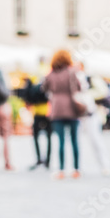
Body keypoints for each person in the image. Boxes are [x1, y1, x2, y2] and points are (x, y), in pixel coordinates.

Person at [42, 49, 81, 179]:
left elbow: (44, 88)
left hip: (57, 109)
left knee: (61, 141)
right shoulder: (72, 72)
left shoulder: (51, 74)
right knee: (74, 140)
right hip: (72, 107)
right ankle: (76, 169)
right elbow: (79, 87)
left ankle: (61, 170)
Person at [76, 63, 110, 175]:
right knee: (77, 142)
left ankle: (105, 165)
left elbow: (103, 91)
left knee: (96, 140)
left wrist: (87, 95)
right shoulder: (73, 77)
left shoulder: (91, 77)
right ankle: (77, 168)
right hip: (78, 115)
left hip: (91, 114)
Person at [20, 73, 51, 169]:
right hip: (46, 113)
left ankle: (40, 159)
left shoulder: (34, 83)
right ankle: (46, 161)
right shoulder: (45, 82)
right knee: (48, 137)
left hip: (40, 113)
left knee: (37, 136)